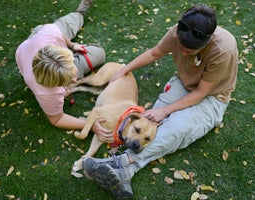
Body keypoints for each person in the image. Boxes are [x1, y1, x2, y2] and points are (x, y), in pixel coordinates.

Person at [82, 5, 239, 199]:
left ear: (205, 43)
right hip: (184, 83)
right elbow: (155, 53)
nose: (182, 51)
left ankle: (123, 165)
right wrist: (123, 70)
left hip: (212, 97)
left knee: (176, 128)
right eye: (180, 46)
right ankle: (125, 170)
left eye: (189, 50)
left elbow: (200, 93)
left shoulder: (223, 50)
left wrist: (166, 110)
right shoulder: (179, 30)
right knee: (149, 125)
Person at [15, 0, 110, 134]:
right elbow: (57, 119)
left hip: (40, 37)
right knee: (99, 53)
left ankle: (80, 13)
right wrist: (89, 124)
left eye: (72, 73)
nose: (74, 80)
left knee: (59, 27)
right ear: (53, 83)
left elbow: (58, 34)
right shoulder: (48, 92)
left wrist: (71, 46)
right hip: (37, 44)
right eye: (67, 81)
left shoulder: (51, 33)